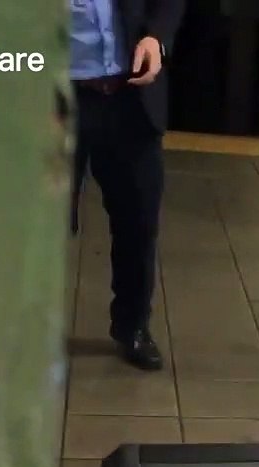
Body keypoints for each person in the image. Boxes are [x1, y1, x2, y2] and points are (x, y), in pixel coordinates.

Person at [69, 0, 184, 371]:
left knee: (138, 222)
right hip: (54, 100)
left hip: (130, 98)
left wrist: (156, 37)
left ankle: (133, 326)